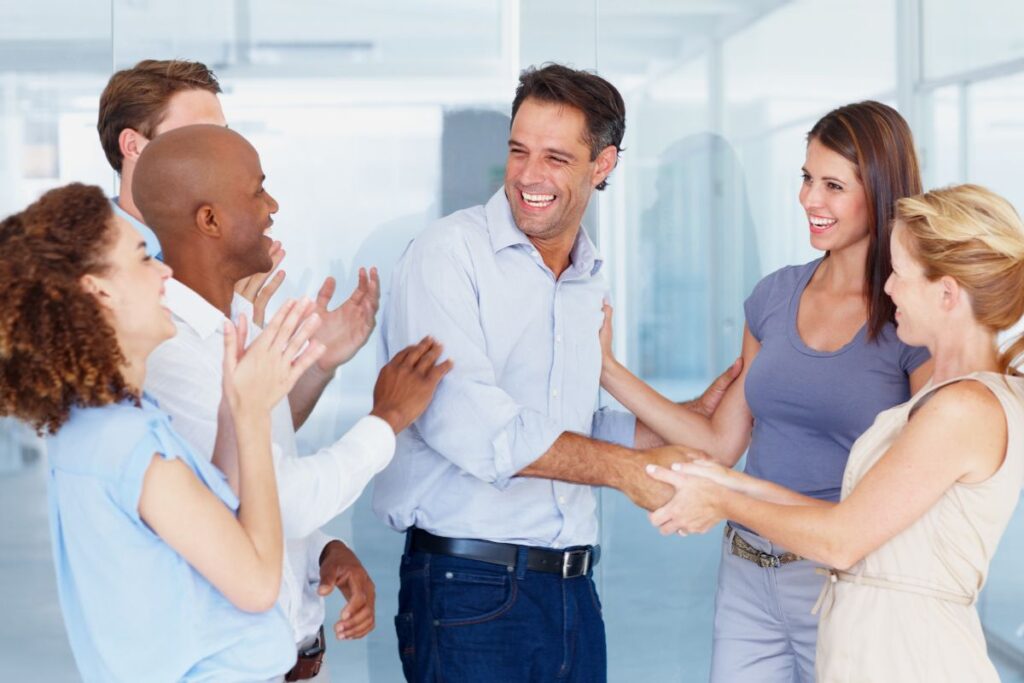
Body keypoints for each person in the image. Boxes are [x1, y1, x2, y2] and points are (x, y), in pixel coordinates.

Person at [374, 63, 738, 683]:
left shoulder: (584, 275)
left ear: (604, 165)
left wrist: (673, 431)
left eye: (556, 158)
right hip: (471, 591)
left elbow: (569, 424)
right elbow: (472, 424)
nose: (529, 177)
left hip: (571, 590)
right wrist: (625, 473)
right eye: (519, 152)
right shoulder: (447, 255)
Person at [598, 100, 933, 681]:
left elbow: (921, 479)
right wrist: (607, 370)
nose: (809, 199)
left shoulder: (910, 319)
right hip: (747, 574)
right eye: (807, 178)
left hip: (844, 583)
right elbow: (720, 444)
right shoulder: (774, 296)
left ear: (879, 192)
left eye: (833, 185)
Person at [652, 184, 1024, 682]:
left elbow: (842, 541)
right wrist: (729, 483)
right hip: (877, 653)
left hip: (912, 661)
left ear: (947, 293)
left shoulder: (963, 409)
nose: (887, 288)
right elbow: (856, 519)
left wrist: (722, 503)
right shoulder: (952, 398)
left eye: (900, 275)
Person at [99, 60, 386, 679]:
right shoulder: (130, 311)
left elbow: (252, 441)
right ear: (136, 148)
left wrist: (313, 365)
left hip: (290, 645)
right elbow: (247, 496)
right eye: (200, 136)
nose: (221, 151)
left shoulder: (215, 290)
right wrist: (386, 424)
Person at [133, 123, 449, 682]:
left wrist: (321, 552)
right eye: (257, 190)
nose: (272, 205)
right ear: (209, 220)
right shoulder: (171, 354)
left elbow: (257, 471)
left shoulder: (231, 328)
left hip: (300, 659)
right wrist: (388, 418)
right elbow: (278, 500)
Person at [0, 182, 322, 681]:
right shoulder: (133, 447)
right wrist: (254, 413)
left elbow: (206, 523)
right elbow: (257, 582)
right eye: (143, 258)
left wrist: (233, 407)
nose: (165, 272)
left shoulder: (102, 423)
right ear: (99, 289)